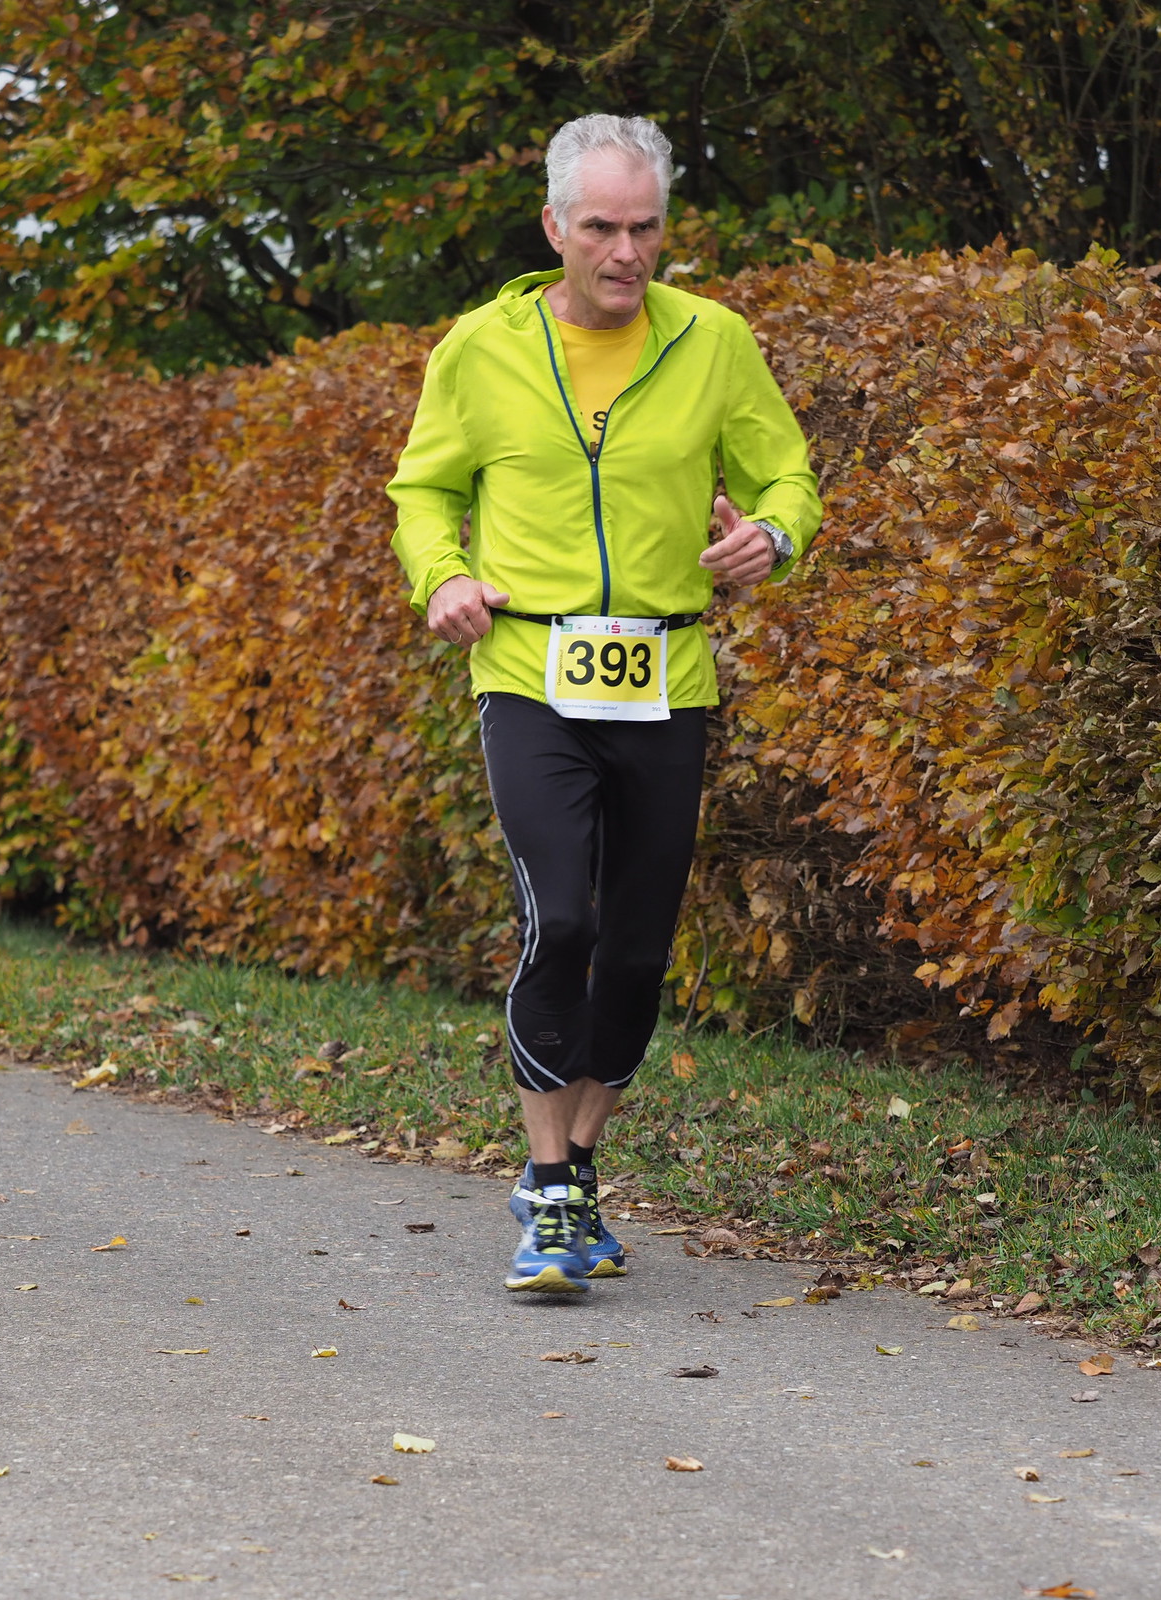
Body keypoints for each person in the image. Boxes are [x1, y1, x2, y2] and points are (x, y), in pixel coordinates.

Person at [386, 113, 822, 1294]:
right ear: (553, 228)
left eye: (645, 228)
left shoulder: (713, 340)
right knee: (562, 923)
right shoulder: (480, 349)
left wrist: (773, 533)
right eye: (600, 228)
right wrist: (443, 577)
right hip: (527, 672)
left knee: (634, 949)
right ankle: (546, 1186)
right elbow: (422, 492)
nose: (626, 253)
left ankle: (577, 1165)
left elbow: (787, 473)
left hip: (667, 676)